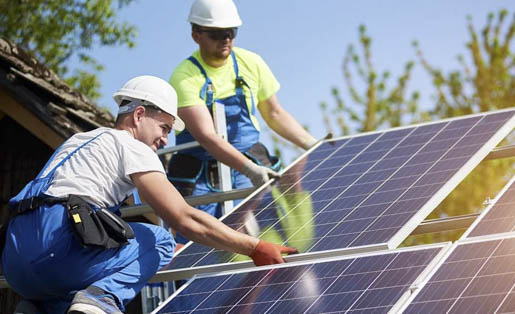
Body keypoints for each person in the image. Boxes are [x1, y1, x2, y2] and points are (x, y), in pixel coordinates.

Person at [1, 75, 296, 314]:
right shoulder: (132, 147)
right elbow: (183, 218)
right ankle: (99, 302)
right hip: (59, 247)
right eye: (164, 127)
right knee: (160, 238)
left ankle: (36, 308)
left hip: (15, 260)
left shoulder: (80, 141)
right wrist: (254, 247)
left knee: (77, 279)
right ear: (139, 115)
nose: (165, 139)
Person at [168, 0, 318, 227]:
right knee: (202, 243)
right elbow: (207, 136)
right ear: (196, 34)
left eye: (231, 32)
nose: (226, 39)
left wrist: (313, 144)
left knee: (270, 232)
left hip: (251, 163)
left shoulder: (251, 63)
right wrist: (250, 170)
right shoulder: (184, 77)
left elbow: (275, 114)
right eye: (217, 33)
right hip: (201, 177)